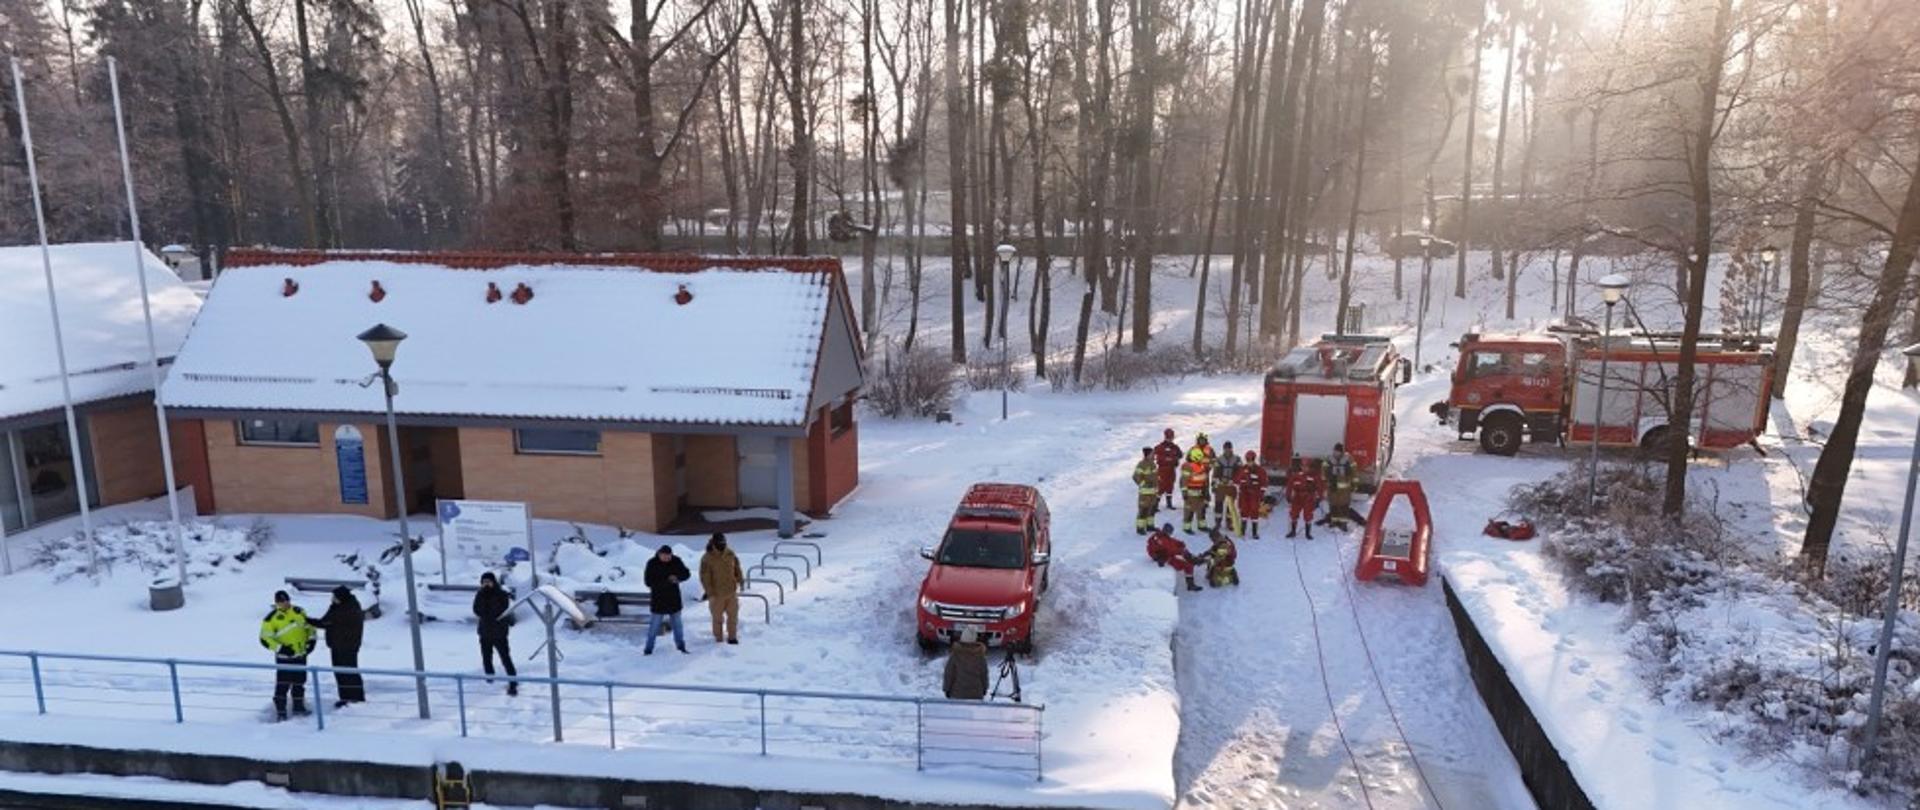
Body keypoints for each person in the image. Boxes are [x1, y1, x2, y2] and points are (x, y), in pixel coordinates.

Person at [258, 590, 314, 721]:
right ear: (276, 603)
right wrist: (281, 649)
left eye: (286, 600)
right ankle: (281, 712)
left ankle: (299, 707)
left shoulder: (299, 611)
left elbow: (310, 628)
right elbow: (265, 639)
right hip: (284, 659)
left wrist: (311, 642)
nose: (285, 603)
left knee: (299, 683)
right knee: (282, 686)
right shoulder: (271, 618)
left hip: (301, 655)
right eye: (281, 601)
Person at [308, 585, 365, 708]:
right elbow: (326, 621)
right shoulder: (338, 607)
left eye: (334, 596)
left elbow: (327, 622)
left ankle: (356, 698)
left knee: (349, 672)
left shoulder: (349, 609)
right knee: (340, 672)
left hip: (348, 645)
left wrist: (309, 621)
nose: (332, 599)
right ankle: (345, 697)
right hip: (336, 644)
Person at [472, 572, 518, 696]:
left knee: (505, 658)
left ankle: (513, 682)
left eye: (488, 582)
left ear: (494, 582)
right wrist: (484, 606)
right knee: (486, 657)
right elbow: (476, 609)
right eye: (484, 582)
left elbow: (501, 609)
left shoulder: (501, 594)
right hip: (484, 632)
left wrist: (488, 609)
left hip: (499, 633)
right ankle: (489, 679)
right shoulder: (480, 594)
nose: (486, 584)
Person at [643, 545, 692, 655]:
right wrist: (667, 581)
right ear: (659, 554)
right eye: (664, 556)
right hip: (658, 600)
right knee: (654, 627)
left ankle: (681, 647)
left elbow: (686, 573)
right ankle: (648, 649)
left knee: (678, 626)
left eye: (669, 556)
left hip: (674, 600)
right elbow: (648, 581)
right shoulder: (652, 563)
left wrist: (678, 577)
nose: (667, 558)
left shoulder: (676, 561)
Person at [699, 533, 745, 645]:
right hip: (716, 594)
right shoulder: (707, 558)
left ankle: (732, 637)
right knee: (717, 618)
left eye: (724, 542)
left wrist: (740, 579)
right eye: (720, 543)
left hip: (731, 591)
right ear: (714, 543)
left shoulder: (730, 553)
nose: (722, 544)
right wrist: (710, 593)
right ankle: (718, 638)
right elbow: (705, 577)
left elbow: (737, 567)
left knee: (733, 616)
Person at [1146, 523, 1203, 592]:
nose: (1171, 534)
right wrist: (1182, 551)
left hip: (1167, 555)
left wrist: (1180, 544)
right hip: (1165, 558)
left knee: (1186, 556)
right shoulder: (1161, 539)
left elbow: (1171, 542)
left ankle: (1193, 559)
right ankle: (1190, 585)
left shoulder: (1161, 536)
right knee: (1188, 565)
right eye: (1170, 532)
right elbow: (1171, 550)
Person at [1323, 443, 1362, 529]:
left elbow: (1354, 473)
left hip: (1345, 488)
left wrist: (1354, 485)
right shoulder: (1329, 459)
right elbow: (1324, 471)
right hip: (1332, 486)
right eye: (1335, 451)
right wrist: (1325, 481)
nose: (1336, 453)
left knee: (1344, 505)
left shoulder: (1349, 459)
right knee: (1333, 505)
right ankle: (1334, 521)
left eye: (1337, 451)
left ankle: (1343, 523)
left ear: (1341, 452)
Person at [943, 629, 990, 700]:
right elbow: (984, 674)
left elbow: (949, 673)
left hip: (957, 693)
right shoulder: (980, 656)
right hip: (976, 694)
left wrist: (946, 689)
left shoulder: (955, 654)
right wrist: (984, 689)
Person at [1285, 456, 1325, 539]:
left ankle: (1308, 533)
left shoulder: (1315, 476)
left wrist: (1319, 498)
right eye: (1303, 466)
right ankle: (1293, 531)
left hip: (1309, 497)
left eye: (1306, 466)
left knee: (1308, 515)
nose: (1304, 468)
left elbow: (1320, 487)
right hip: (1297, 497)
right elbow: (1289, 486)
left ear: (1310, 467)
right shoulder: (1296, 476)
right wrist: (1288, 496)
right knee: (1294, 513)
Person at [1234, 451, 1270, 539]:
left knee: (1254, 512)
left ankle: (1254, 532)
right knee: (1244, 511)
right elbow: (1236, 480)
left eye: (1251, 459)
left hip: (1255, 495)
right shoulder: (1242, 469)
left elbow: (1264, 483)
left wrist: (1261, 495)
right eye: (1248, 459)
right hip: (1244, 494)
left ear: (1254, 459)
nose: (1250, 461)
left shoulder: (1260, 470)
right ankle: (1243, 530)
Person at [1180, 447, 1212, 534]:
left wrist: (1206, 491)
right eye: (1200, 458)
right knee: (1189, 511)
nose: (1202, 459)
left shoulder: (1201, 466)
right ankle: (1187, 527)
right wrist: (1184, 493)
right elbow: (1183, 481)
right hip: (1191, 493)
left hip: (1200, 491)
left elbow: (1205, 479)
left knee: (1201, 510)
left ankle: (1202, 526)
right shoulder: (1188, 467)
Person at [1211, 441, 1242, 531]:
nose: (1227, 450)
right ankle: (1218, 522)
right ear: (1223, 449)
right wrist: (1214, 484)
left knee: (1230, 506)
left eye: (1229, 448)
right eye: (1226, 449)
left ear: (1231, 449)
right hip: (1221, 485)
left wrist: (1234, 481)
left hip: (1231, 486)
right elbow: (1215, 472)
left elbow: (1240, 472)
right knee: (1218, 504)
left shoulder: (1237, 459)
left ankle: (1229, 523)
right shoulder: (1219, 459)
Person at [1152, 429, 1183, 511]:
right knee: (1161, 487)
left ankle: (1169, 504)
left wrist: (1174, 458)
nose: (1170, 438)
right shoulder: (1159, 446)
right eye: (1169, 437)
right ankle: (1155, 505)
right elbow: (1152, 455)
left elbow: (1181, 455)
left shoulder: (1175, 447)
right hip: (1162, 469)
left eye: (1171, 437)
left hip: (1171, 469)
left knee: (1170, 486)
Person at [1132, 447, 1160, 534]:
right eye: (1152, 454)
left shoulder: (1153, 464)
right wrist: (1144, 484)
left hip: (1153, 492)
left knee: (1152, 510)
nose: (1154, 455)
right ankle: (1140, 528)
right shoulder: (1141, 464)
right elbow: (1135, 476)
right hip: (1145, 493)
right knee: (1143, 510)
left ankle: (1150, 526)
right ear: (1147, 455)